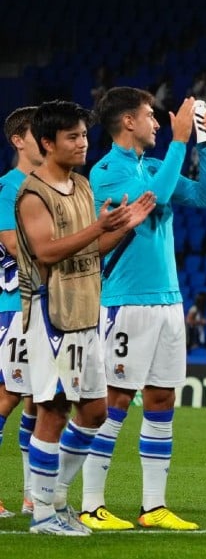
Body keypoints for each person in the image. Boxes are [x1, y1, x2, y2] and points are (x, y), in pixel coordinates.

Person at [79, 89, 206, 532]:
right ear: (128, 122)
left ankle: (154, 506)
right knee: (115, 400)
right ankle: (91, 504)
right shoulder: (105, 172)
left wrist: (205, 144)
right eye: (150, 116)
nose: (158, 123)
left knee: (161, 399)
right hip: (126, 303)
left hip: (169, 301)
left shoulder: (156, 166)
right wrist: (180, 140)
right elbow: (156, 200)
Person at [17, 100, 155, 535]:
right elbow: (46, 252)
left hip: (85, 312)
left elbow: (90, 251)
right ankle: (43, 513)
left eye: (83, 135)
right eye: (72, 137)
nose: (82, 143)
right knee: (54, 410)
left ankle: (56, 498)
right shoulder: (33, 194)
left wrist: (126, 226)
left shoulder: (79, 185)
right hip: (52, 314)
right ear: (47, 143)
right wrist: (99, 227)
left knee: (94, 412)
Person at [0, 106, 44, 517]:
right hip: (14, 307)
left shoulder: (49, 187)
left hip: (46, 306)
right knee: (8, 396)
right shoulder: (8, 188)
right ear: (18, 140)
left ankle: (32, 495)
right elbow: (13, 244)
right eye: (38, 132)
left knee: (39, 399)